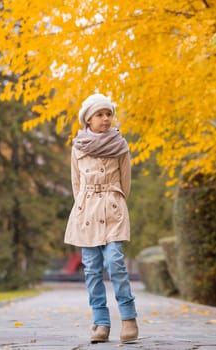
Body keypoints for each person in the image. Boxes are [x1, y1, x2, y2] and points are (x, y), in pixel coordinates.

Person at [64, 93, 138, 344]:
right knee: (92, 271)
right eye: (100, 114)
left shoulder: (121, 145)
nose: (105, 119)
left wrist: (113, 200)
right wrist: (85, 203)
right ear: (88, 119)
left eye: (108, 114)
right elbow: (76, 183)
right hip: (86, 211)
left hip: (113, 207)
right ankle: (101, 323)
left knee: (115, 261)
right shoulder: (78, 147)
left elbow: (125, 182)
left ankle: (128, 318)